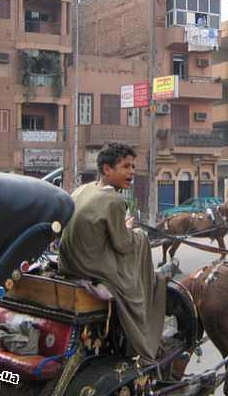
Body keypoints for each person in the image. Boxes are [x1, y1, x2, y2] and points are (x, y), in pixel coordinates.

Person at [58, 143, 166, 364]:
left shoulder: (82, 189)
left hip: (69, 262)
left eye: (133, 167)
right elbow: (124, 245)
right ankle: (145, 344)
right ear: (107, 169)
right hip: (91, 266)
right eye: (126, 166)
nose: (132, 172)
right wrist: (133, 231)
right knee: (143, 247)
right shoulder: (114, 200)